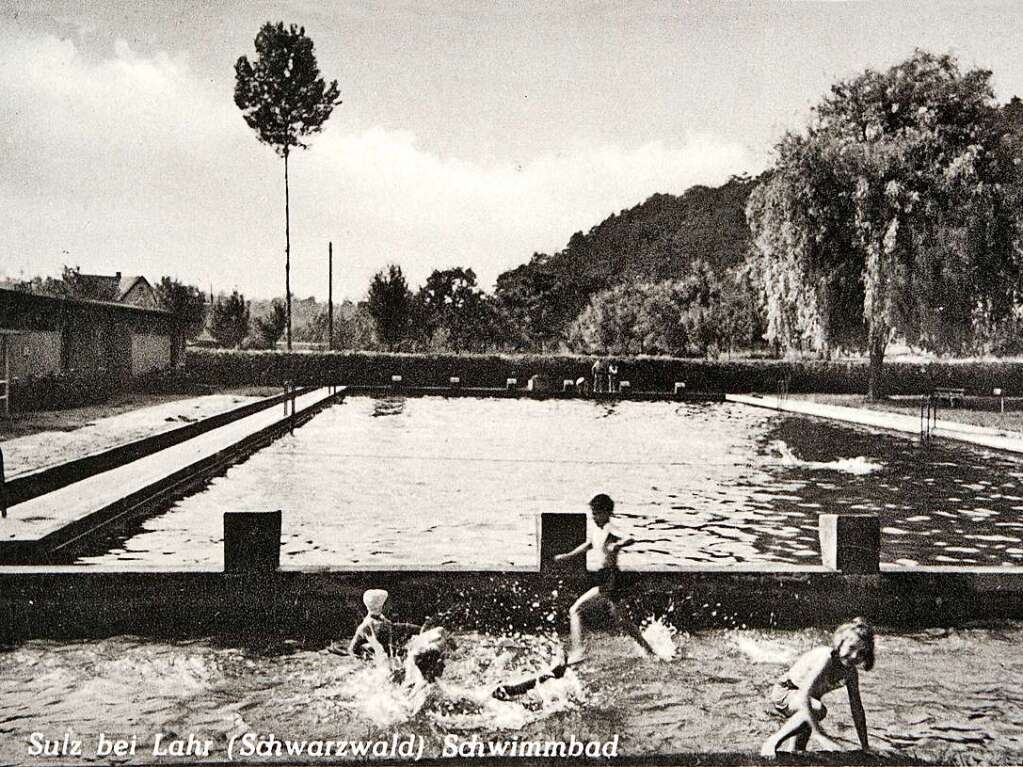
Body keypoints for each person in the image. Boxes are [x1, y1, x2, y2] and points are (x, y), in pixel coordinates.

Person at [554, 493, 655, 663]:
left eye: (596, 513)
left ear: (607, 513)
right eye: (592, 513)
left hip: (610, 578)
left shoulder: (610, 528)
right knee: (622, 621)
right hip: (607, 578)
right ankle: (649, 651)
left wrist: (618, 544)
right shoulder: (597, 531)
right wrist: (568, 556)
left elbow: (630, 538)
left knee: (576, 610)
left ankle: (578, 652)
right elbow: (589, 545)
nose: (593, 517)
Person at [760, 617, 875, 757]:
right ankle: (773, 741)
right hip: (787, 692)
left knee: (797, 750)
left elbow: (857, 709)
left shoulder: (851, 673)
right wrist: (819, 734)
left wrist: (865, 747)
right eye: (851, 648)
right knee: (819, 710)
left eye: (862, 653)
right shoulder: (826, 658)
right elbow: (803, 695)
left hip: (808, 702)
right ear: (841, 643)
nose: (854, 656)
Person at [344, 588, 422, 658]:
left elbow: (401, 627)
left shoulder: (382, 621)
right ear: (381, 607)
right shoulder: (368, 626)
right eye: (386, 603)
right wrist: (367, 653)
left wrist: (421, 629)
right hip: (383, 665)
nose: (390, 606)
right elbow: (352, 650)